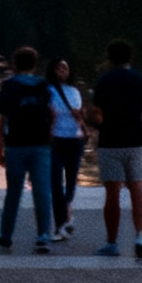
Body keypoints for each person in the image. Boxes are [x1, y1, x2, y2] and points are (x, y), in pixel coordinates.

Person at [87, 40, 142, 258]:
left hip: (110, 142)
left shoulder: (103, 82)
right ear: (130, 57)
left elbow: (97, 114)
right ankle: (139, 237)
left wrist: (94, 123)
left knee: (112, 193)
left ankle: (112, 242)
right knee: (137, 188)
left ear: (109, 58)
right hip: (137, 141)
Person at [0, 46, 56, 252]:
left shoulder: (8, 86)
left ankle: (6, 235)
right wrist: (49, 138)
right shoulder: (43, 86)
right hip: (40, 144)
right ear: (35, 64)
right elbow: (52, 113)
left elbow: (1, 120)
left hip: (16, 144)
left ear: (14, 63)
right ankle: (43, 235)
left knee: (14, 192)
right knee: (42, 191)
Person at [47, 57, 89, 240]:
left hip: (74, 139)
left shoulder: (74, 91)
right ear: (52, 70)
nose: (63, 71)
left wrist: (82, 118)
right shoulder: (47, 90)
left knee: (71, 182)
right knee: (56, 182)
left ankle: (67, 215)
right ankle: (60, 226)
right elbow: (46, 112)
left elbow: (79, 115)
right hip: (54, 139)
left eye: (65, 68)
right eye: (59, 68)